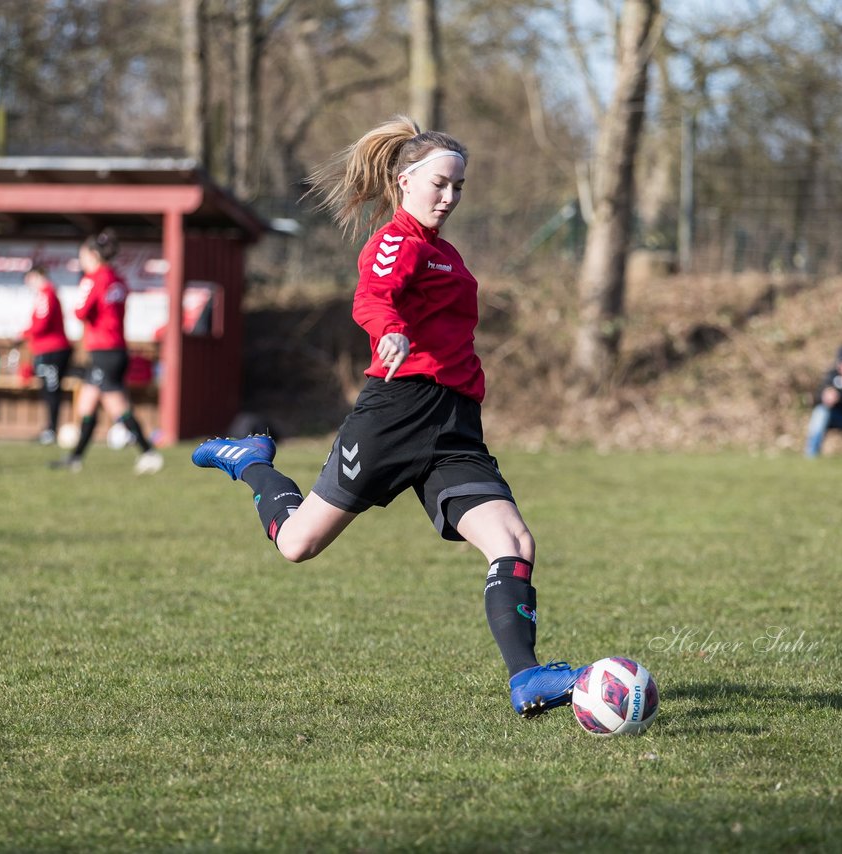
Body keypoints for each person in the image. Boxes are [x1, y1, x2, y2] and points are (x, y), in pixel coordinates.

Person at [192, 116, 587, 717]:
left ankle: (527, 679)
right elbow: (373, 298)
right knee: (297, 544)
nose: (449, 198)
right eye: (439, 185)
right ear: (405, 181)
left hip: (455, 425)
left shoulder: (446, 254)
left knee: (513, 540)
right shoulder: (395, 242)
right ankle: (250, 462)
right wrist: (391, 332)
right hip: (397, 414)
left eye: (458, 188)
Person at [52, 230, 163, 474]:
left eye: (82, 254)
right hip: (115, 349)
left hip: (104, 351)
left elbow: (80, 312)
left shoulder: (93, 279)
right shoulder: (117, 279)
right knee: (86, 404)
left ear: (92, 254)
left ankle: (149, 453)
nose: (81, 260)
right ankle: (75, 458)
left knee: (118, 407)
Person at [14, 264, 71, 445]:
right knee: (47, 391)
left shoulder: (46, 294)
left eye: (29, 277)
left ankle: (51, 430)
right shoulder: (44, 295)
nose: (27, 282)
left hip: (53, 350)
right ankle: (49, 429)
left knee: (51, 390)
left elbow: (42, 324)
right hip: (44, 350)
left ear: (38, 275)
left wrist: (24, 334)